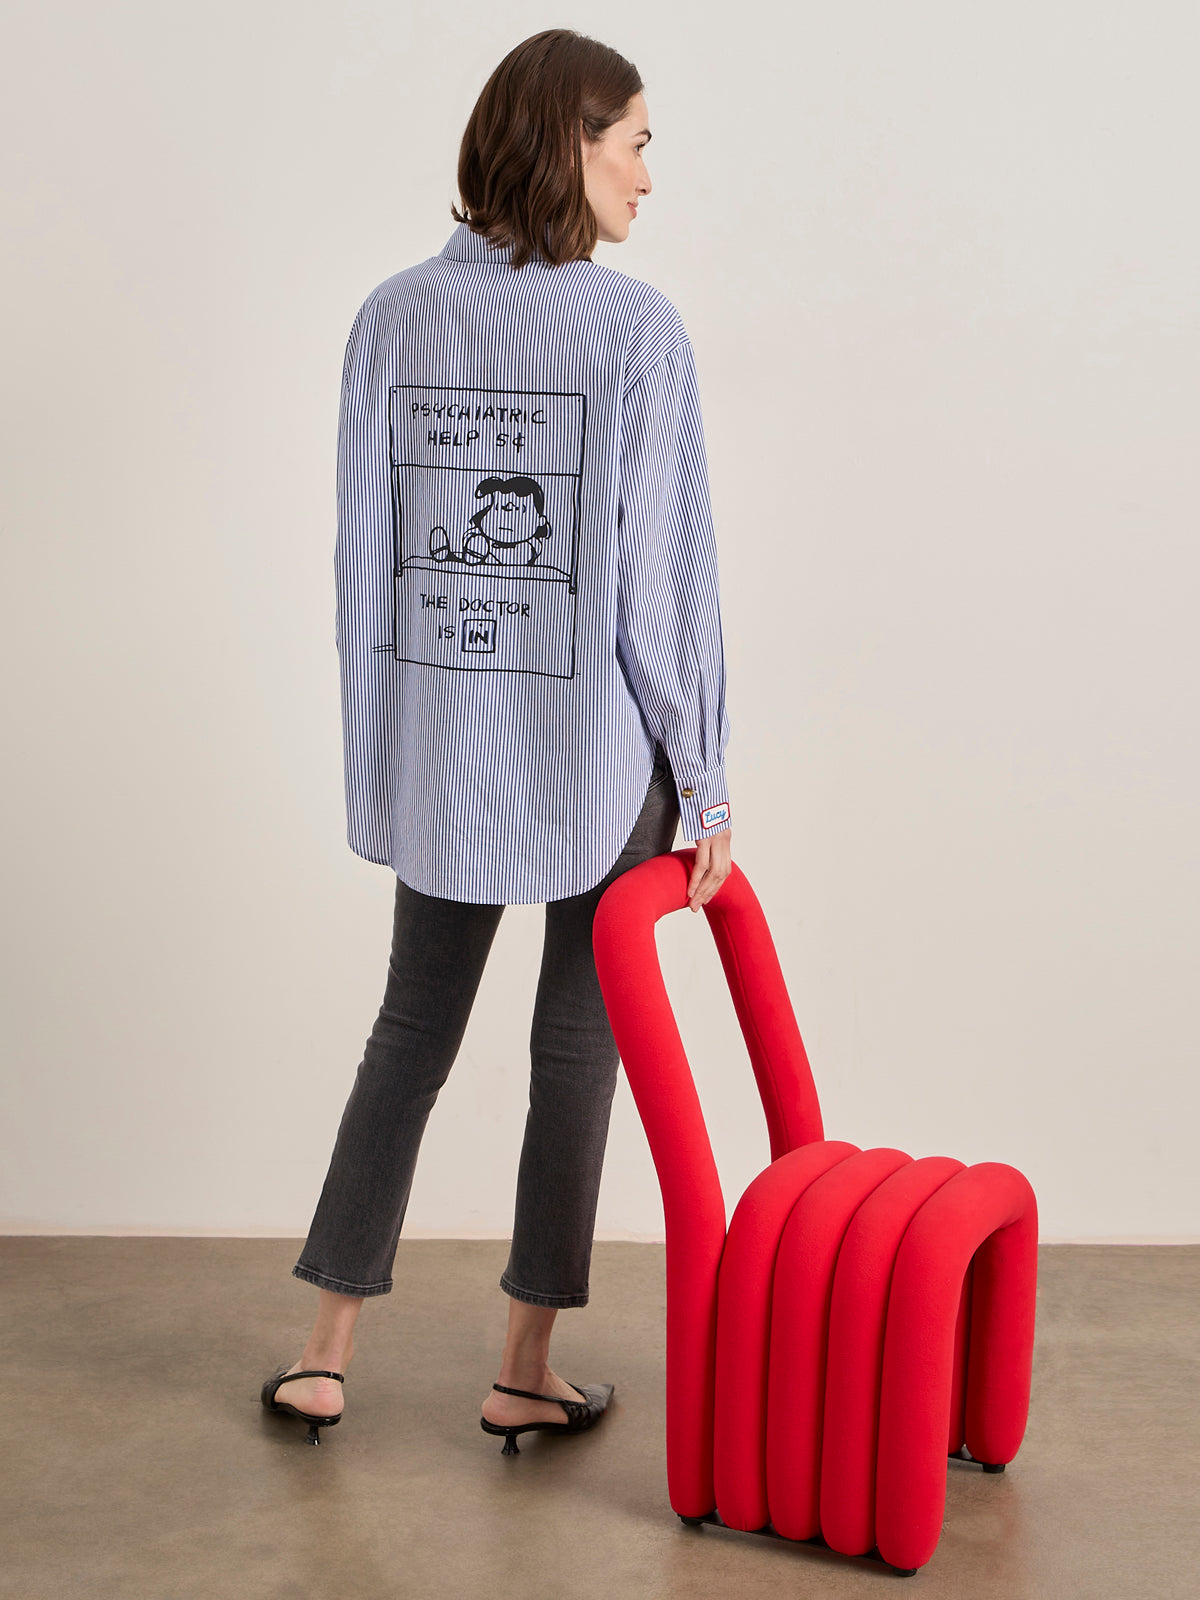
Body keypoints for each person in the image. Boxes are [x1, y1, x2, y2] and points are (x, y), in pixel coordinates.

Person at [261, 28, 733, 1452]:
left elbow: (366, 554)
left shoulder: (391, 316)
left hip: (449, 743)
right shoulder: (632, 329)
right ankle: (523, 1366)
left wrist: (398, 727)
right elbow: (660, 574)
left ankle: (324, 1354)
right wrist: (703, 771)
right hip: (596, 748)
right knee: (572, 1050)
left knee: (410, 1031)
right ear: (571, 141)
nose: (652, 175)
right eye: (637, 141)